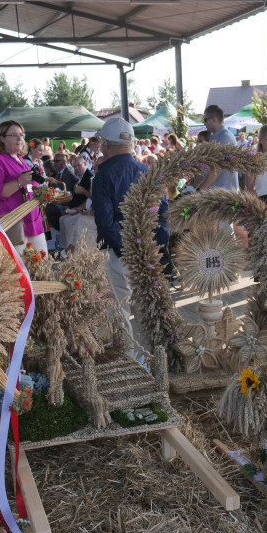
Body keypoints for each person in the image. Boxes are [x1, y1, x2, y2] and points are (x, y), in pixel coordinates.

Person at [90, 117, 167, 356]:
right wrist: (154, 244)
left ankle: (130, 361)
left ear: (106, 144)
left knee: (121, 308)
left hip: (118, 253)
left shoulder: (103, 176)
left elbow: (105, 221)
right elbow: (163, 212)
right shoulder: (148, 171)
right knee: (150, 308)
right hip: (146, 251)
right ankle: (164, 356)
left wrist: (126, 250)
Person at [0, 120, 47, 252]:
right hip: (14, 225)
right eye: (14, 135)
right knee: (20, 270)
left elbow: (29, 186)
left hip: (33, 222)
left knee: (42, 266)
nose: (19, 139)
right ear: (2, 138)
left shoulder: (21, 159)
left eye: (21, 135)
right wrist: (19, 182)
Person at [198, 104, 238, 190]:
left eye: (205, 120)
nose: (204, 123)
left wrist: (201, 189)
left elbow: (216, 168)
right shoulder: (216, 137)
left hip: (225, 194)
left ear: (214, 119)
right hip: (218, 192)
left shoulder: (225, 137)